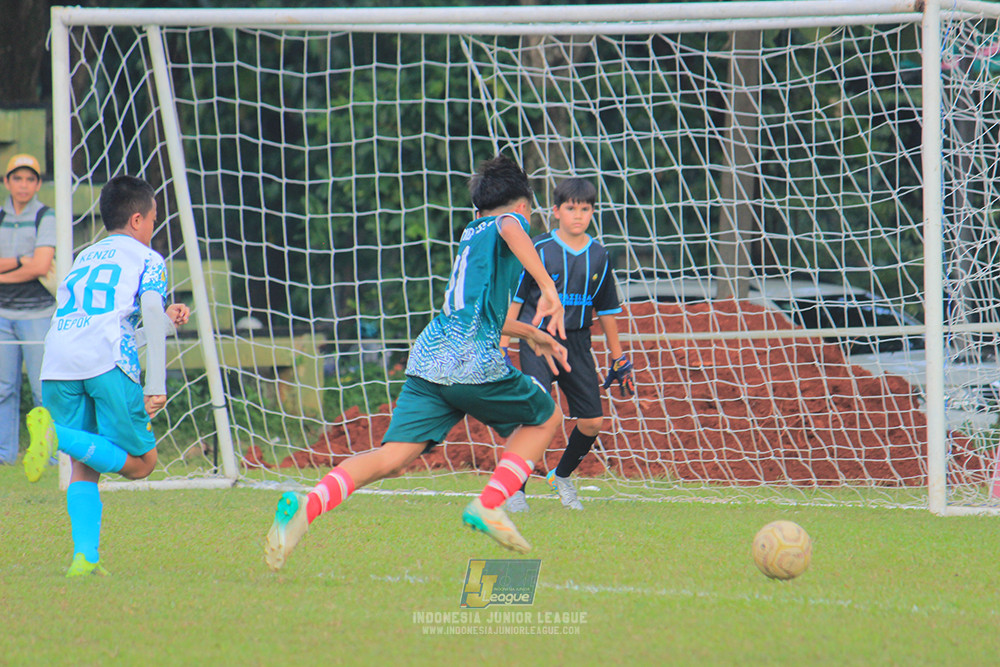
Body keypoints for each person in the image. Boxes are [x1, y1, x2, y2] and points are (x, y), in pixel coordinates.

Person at [264, 155, 570, 571]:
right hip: (469, 362)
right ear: (522, 206)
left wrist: (533, 334)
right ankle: (490, 503)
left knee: (391, 458)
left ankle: (305, 508)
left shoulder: (471, 233)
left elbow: (479, 314)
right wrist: (549, 288)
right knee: (547, 418)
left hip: (431, 357)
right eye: (528, 209)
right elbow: (509, 226)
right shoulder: (507, 224)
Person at [22, 175, 190, 577]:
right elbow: (146, 312)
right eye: (153, 219)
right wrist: (155, 385)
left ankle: (85, 557)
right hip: (106, 361)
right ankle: (55, 436)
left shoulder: (85, 256)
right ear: (136, 220)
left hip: (59, 360)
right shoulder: (148, 257)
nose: (153, 227)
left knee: (85, 461)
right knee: (143, 463)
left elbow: (112, 316)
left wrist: (163, 321)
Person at [499, 177, 633, 512]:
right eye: (571, 208)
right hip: (537, 341)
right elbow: (515, 302)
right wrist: (501, 346)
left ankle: (562, 475)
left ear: (592, 212)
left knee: (592, 422)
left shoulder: (600, 255)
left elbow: (607, 311)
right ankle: (515, 488)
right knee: (538, 414)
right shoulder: (539, 249)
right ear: (556, 211)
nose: (578, 215)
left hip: (576, 344)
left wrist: (618, 359)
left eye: (585, 209)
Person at [0, 154, 56, 465]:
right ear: (7, 182)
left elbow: (41, 265)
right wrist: (23, 260)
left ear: (37, 184)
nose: (23, 185)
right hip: (2, 313)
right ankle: (4, 456)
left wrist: (20, 266)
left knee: (42, 387)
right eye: (17, 178)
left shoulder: (46, 216)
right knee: (3, 388)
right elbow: (30, 262)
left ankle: (50, 457)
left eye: (30, 179)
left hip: (38, 314)